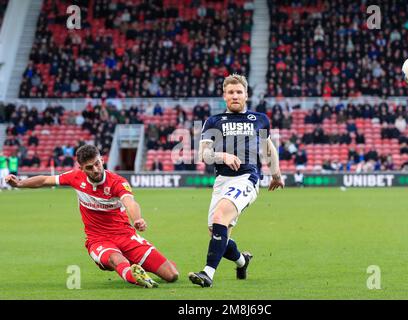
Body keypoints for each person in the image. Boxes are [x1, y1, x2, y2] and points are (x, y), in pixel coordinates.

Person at [6, 144, 178, 288]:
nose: (95, 169)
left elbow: (130, 202)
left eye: (97, 163)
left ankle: (152, 266)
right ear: (81, 168)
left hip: (126, 236)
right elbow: (44, 180)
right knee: (116, 258)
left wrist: (138, 219)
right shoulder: (75, 178)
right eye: (89, 167)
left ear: (102, 160)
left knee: (172, 275)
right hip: (98, 240)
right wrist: (20, 183)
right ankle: (136, 278)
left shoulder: (117, 182)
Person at [188, 74, 284, 288]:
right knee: (217, 233)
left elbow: (269, 149)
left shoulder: (258, 119)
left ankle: (207, 273)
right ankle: (242, 260)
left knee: (220, 215)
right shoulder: (213, 121)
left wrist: (276, 174)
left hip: (247, 178)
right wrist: (222, 156)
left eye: (239, 92)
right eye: (230, 92)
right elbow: (202, 155)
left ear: (246, 95)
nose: (235, 96)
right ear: (224, 96)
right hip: (221, 181)